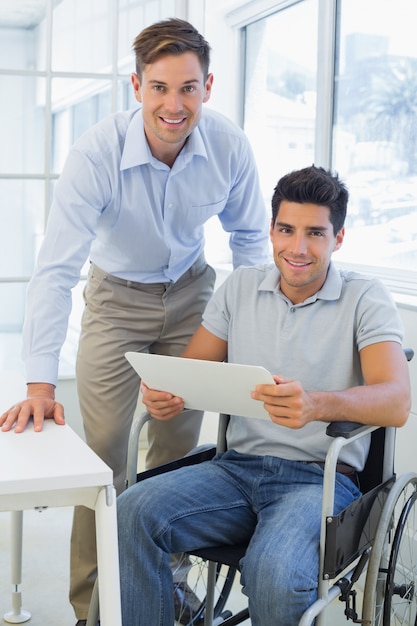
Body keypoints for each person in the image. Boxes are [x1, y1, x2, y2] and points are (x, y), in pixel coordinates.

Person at [0, 18, 270, 626]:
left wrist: (246, 333)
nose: (174, 106)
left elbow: (251, 242)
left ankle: (164, 585)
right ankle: (92, 606)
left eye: (188, 89)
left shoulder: (228, 145)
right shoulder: (96, 152)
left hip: (193, 295)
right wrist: (39, 386)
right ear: (136, 86)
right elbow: (56, 268)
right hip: (116, 300)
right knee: (102, 457)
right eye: (159, 88)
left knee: (175, 451)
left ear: (208, 87)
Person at [117, 165, 411, 626]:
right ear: (271, 230)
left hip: (319, 482)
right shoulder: (239, 288)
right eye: (286, 229)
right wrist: (166, 395)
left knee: (273, 570)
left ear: (338, 238)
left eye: (315, 233)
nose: (297, 247)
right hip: (234, 471)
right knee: (130, 512)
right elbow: (189, 372)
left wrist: (317, 404)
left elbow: (396, 401)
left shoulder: (364, 298)